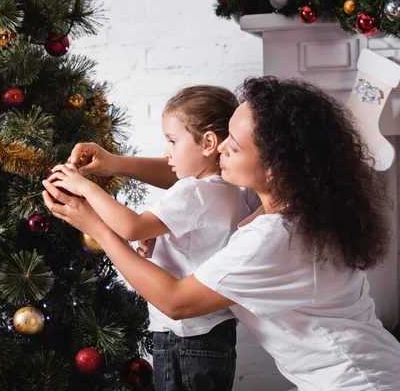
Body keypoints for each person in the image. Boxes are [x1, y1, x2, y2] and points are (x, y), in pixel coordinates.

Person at [42, 76, 400, 390]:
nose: (222, 147)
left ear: (276, 167)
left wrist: (98, 229)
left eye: (236, 146)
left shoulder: (274, 239)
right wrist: (115, 163)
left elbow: (176, 301)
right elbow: (200, 178)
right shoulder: (295, 202)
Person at [47, 85, 260, 391]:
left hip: (182, 338)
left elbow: (131, 228)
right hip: (216, 333)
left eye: (173, 141)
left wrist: (84, 188)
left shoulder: (195, 191)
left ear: (209, 143)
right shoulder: (231, 188)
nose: (166, 151)